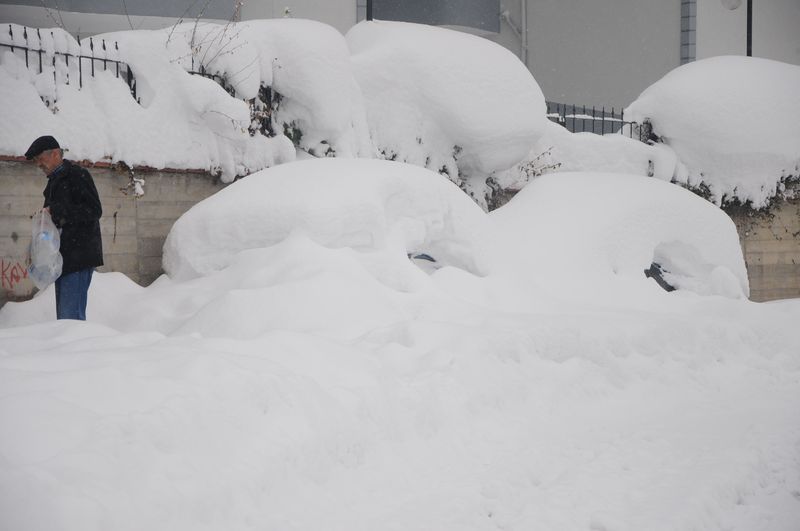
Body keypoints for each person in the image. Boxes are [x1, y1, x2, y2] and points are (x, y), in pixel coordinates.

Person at [25, 135, 103, 320]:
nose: (38, 164)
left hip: (78, 257)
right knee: (65, 320)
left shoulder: (77, 175)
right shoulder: (55, 181)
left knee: (71, 319)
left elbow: (94, 210)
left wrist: (56, 211)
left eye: (39, 159)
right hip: (63, 259)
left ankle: (79, 349)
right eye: (35, 161)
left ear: (54, 154)